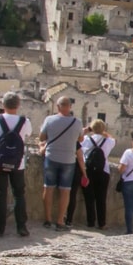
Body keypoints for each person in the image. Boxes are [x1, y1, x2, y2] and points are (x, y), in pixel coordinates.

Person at [0, 92, 32, 237]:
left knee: (1, 195)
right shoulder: (25, 121)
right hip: (18, 164)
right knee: (19, 195)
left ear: (3, 105)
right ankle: (21, 227)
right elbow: (27, 134)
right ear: (18, 105)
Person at [38, 96, 83, 231]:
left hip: (51, 157)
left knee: (48, 188)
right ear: (70, 107)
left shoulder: (49, 120)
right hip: (69, 160)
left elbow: (42, 137)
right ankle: (59, 221)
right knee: (65, 191)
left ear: (58, 107)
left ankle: (47, 219)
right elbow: (80, 139)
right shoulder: (77, 122)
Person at [80, 119, 116, 230]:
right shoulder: (109, 141)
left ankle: (90, 221)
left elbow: (78, 139)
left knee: (89, 197)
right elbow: (113, 138)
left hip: (88, 171)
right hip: (103, 171)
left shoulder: (86, 139)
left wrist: (86, 130)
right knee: (101, 198)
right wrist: (104, 132)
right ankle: (102, 223)